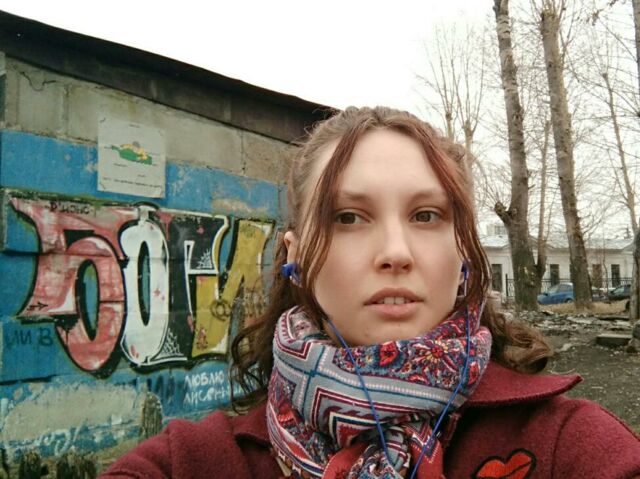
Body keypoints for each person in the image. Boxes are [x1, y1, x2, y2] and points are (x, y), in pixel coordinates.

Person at [102, 106, 640, 478]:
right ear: (295, 256)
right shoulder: (193, 463)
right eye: (349, 217)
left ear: (462, 252)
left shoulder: (567, 446)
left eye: (426, 215)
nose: (395, 252)